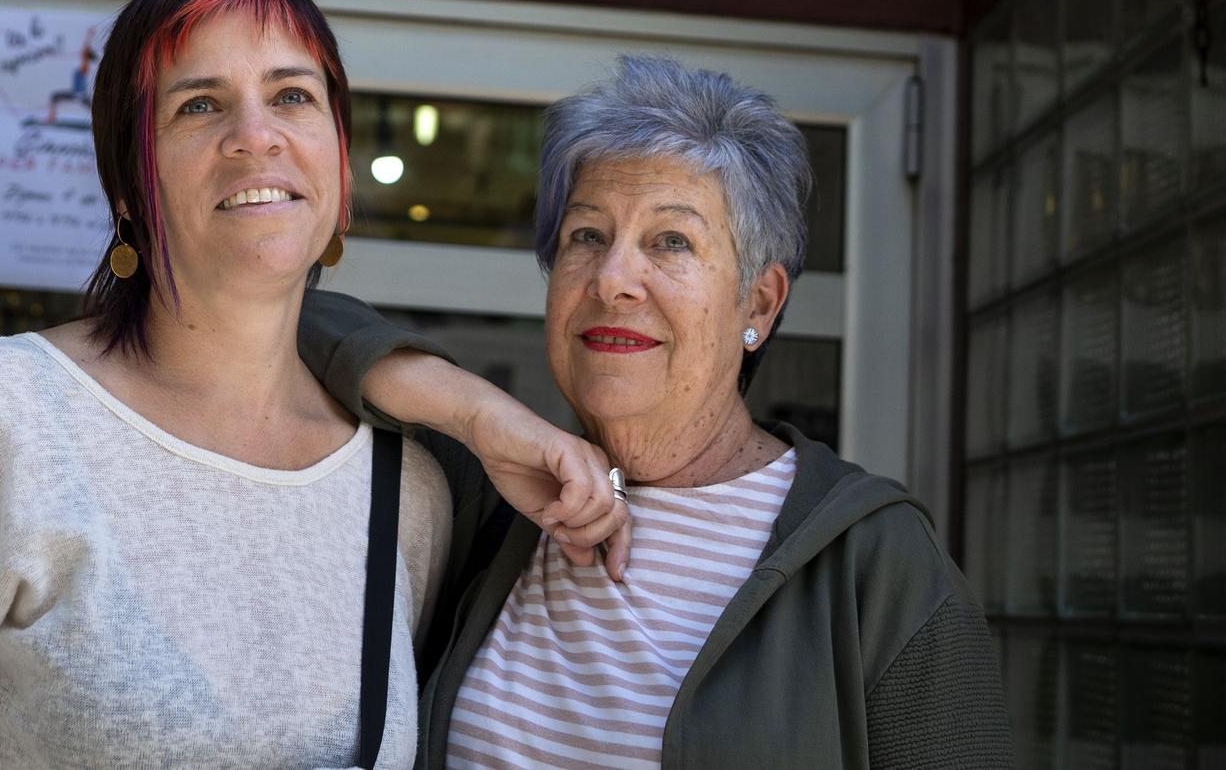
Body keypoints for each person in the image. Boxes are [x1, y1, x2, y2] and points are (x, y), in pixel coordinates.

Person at [0, 0, 627, 769]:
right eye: (198, 106)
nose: (256, 137)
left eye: (292, 95)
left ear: (341, 174)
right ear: (130, 190)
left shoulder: (410, 490)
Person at [300, 55, 1012, 769]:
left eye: (671, 240)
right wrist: (480, 412)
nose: (612, 279)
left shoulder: (875, 561)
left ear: (759, 303)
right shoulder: (496, 500)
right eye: (587, 236)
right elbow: (281, 318)